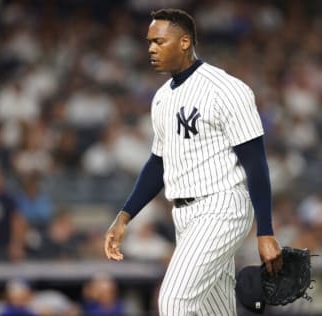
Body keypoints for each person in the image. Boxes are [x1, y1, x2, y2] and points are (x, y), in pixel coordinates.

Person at [104, 8, 282, 315]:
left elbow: (256, 162)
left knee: (174, 301)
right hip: (184, 216)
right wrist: (125, 215)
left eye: (159, 41)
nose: (151, 48)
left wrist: (265, 230)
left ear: (184, 42)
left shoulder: (226, 89)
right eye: (149, 42)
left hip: (222, 207)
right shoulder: (161, 98)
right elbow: (157, 164)